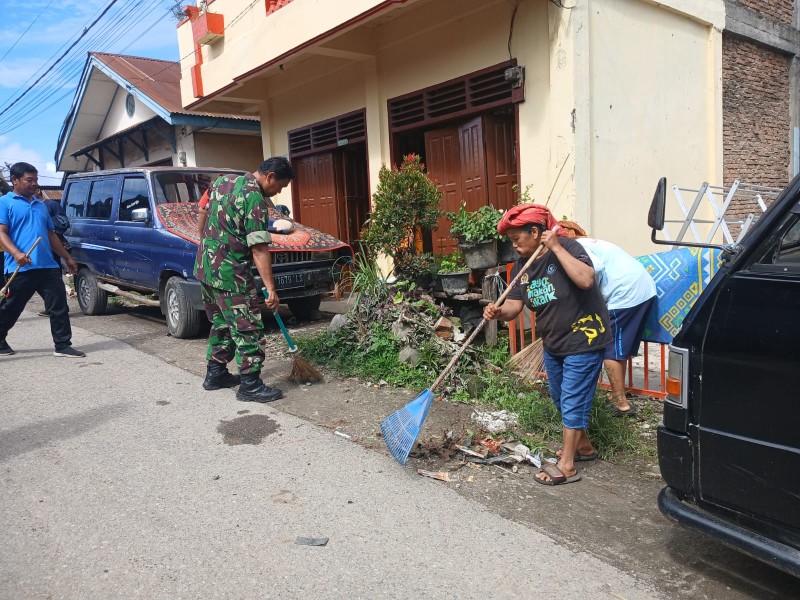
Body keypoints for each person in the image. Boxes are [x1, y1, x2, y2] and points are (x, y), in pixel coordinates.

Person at [483, 204, 611, 486]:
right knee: (559, 396)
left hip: (584, 339)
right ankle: (584, 447)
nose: (514, 245)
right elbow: (514, 306)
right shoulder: (522, 267)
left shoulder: (568, 247)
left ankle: (567, 465)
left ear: (535, 232)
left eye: (517, 238)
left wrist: (556, 247)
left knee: (573, 398)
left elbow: (586, 280)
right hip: (554, 344)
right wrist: (498, 312)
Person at [194, 157, 294, 402]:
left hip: (206, 268)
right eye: (280, 186)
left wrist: (206, 242)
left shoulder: (223, 181)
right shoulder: (254, 198)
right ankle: (250, 385)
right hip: (231, 275)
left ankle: (216, 374)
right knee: (247, 327)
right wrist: (271, 289)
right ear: (270, 176)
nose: (278, 192)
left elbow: (202, 209)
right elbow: (259, 248)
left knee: (221, 322)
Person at [0, 162, 85, 358]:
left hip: (47, 265)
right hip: (20, 267)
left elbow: (51, 235)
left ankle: (62, 345)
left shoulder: (41, 205)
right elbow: (1, 233)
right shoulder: (4, 202)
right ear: (14, 180)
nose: (34, 184)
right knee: (11, 308)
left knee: (58, 306)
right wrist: (16, 253)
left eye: (36, 180)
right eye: (29, 180)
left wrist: (67, 257)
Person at [572, 235, 657, 416]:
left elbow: (594, 270)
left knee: (610, 350)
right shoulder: (586, 242)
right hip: (640, 289)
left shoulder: (573, 247)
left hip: (625, 294)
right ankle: (618, 394)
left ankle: (621, 404)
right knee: (619, 350)